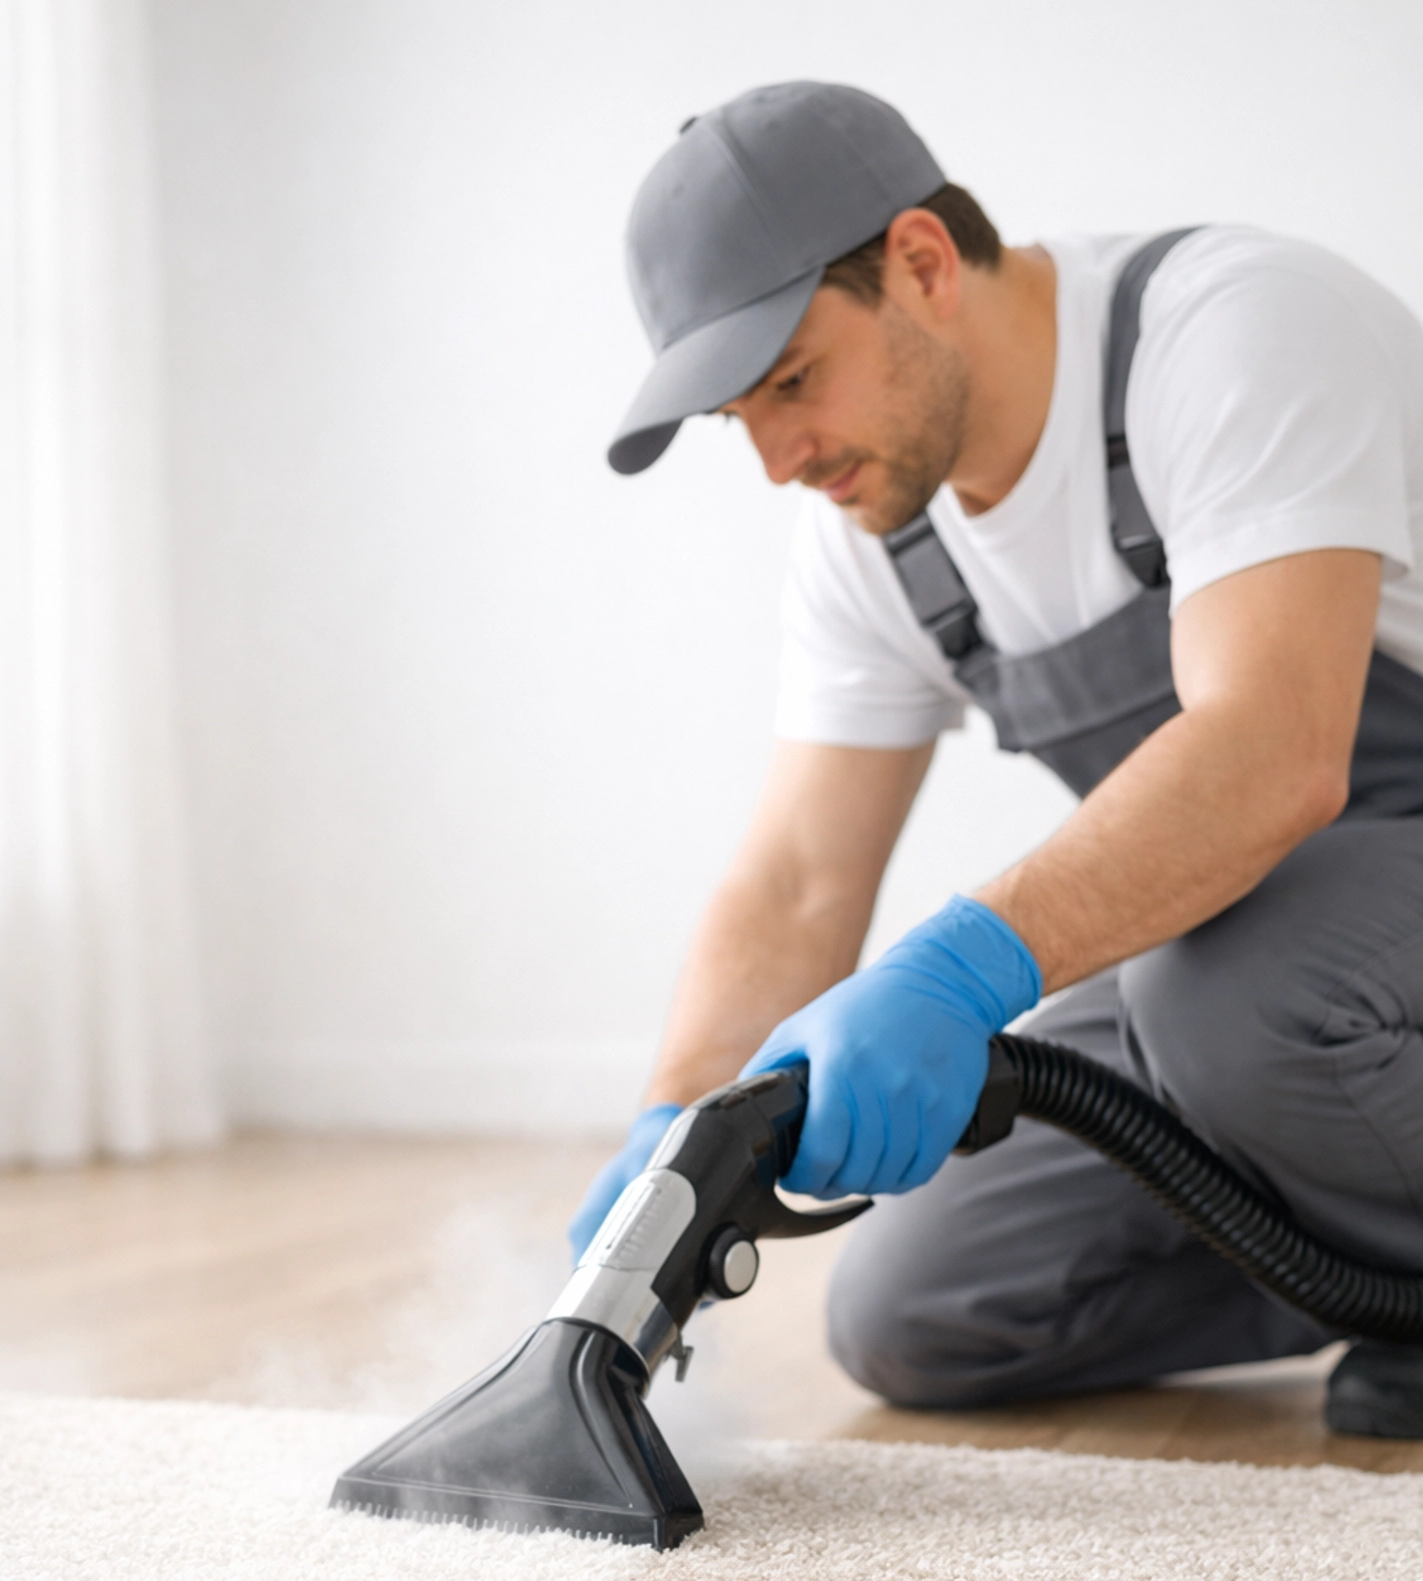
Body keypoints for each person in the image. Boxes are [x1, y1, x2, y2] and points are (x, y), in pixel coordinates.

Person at [571, 80, 1423, 1430]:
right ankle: (1382, 1281)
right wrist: (676, 1134)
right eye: (743, 419)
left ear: (920, 264)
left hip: (1308, 947)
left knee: (1233, 1002)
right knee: (926, 1309)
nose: (782, 458)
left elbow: (1274, 749)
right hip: (1268, 954)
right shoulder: (879, 540)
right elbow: (800, 877)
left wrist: (956, 971)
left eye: (793, 381)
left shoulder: (1229, 336)